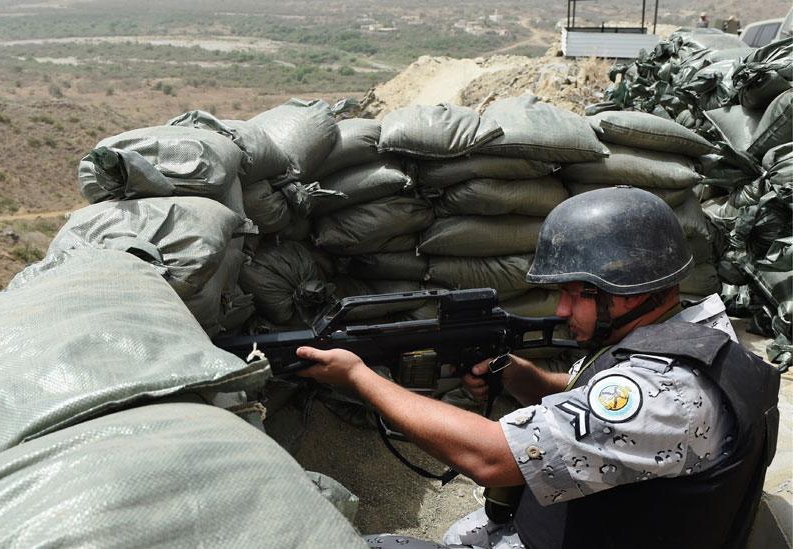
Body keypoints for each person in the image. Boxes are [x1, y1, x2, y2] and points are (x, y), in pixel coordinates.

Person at [297, 187, 780, 549]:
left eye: (576, 292)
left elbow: (492, 457)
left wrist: (359, 377)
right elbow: (589, 397)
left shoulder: (662, 393)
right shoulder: (702, 336)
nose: (564, 311)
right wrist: (520, 377)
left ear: (627, 289)